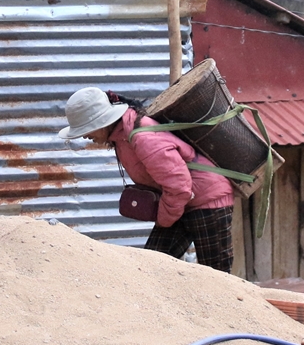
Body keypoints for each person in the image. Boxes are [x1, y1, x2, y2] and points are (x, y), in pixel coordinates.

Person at [59, 87, 235, 272]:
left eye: (86, 129)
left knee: (218, 275)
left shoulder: (142, 137)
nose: (85, 136)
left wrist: (163, 220)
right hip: (179, 202)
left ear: (102, 122)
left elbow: (179, 187)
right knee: (152, 271)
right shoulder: (122, 136)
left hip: (207, 200)